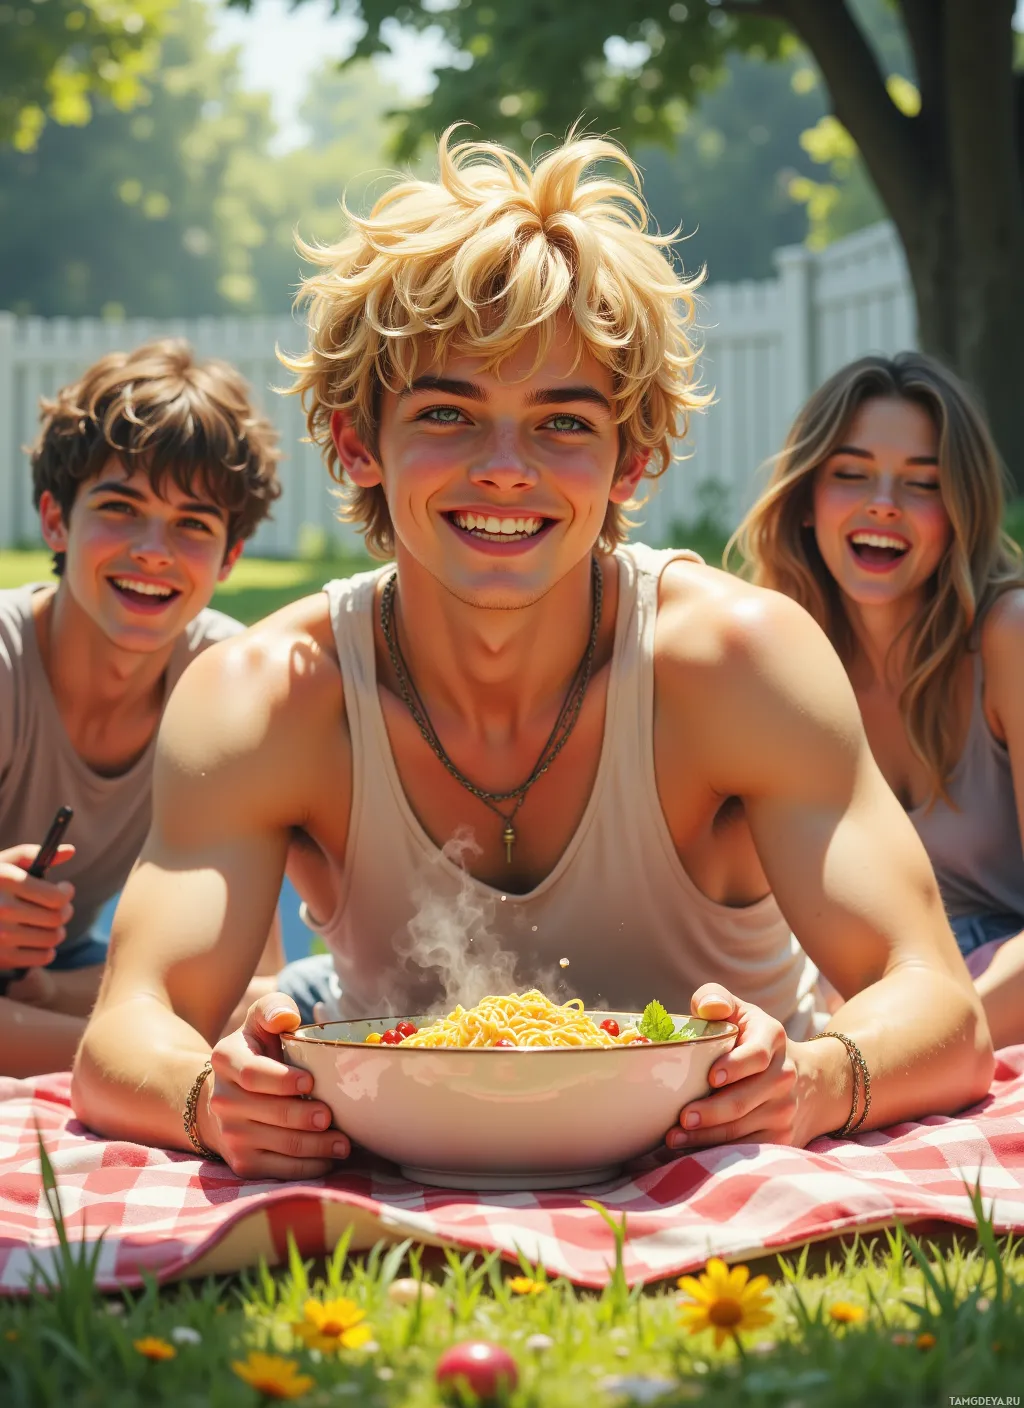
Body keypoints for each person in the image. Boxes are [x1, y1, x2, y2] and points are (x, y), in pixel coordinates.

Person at [71, 132, 992, 1182]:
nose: (504, 471)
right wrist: (210, 1103)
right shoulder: (263, 696)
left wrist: (818, 1079)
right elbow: (127, 1028)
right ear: (357, 443)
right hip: (393, 1133)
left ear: (630, 459)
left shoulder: (739, 660)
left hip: (717, 1141)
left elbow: (936, 1000)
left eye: (561, 422)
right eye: (449, 415)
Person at [0, 339, 285, 1077]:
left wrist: (52, 994)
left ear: (229, 558)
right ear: (56, 522)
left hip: (65, 976)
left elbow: (253, 984)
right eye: (121, 508)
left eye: (193, 523)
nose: (154, 550)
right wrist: (138, 1052)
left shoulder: (226, 683)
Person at [730, 352, 1024, 1051]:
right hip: (846, 993)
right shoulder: (775, 661)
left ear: (959, 512)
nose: (883, 502)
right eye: (852, 474)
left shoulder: (1008, 638)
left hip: (994, 989)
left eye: (922, 484)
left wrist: (918, 1041)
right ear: (806, 503)